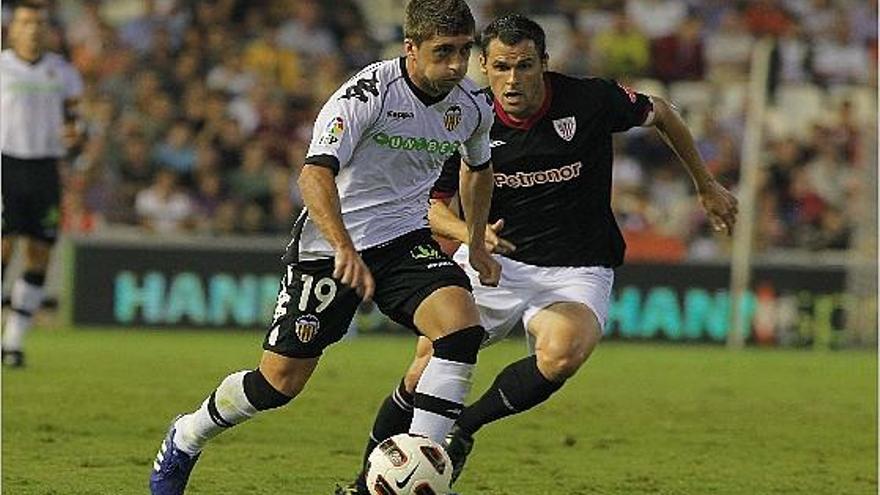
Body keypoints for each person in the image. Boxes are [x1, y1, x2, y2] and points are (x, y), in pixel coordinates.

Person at [340, 14, 738, 494]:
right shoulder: (461, 117)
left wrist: (706, 183)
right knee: (425, 366)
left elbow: (665, 114)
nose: (513, 79)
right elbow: (433, 209)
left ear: (544, 64)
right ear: (483, 66)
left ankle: (464, 428)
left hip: (578, 266)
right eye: (502, 66)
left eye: (525, 66)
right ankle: (364, 483)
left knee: (565, 350)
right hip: (495, 264)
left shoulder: (590, 100)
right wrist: (473, 234)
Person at [149, 0, 501, 493]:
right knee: (277, 384)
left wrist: (477, 240)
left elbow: (478, 169)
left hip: (404, 241)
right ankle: (187, 434)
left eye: (465, 51)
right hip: (331, 247)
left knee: (461, 331)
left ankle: (418, 473)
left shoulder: (470, 106)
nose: (456, 65)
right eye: (443, 52)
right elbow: (314, 174)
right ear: (411, 48)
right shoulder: (367, 94)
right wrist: (343, 248)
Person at [1, 0, 84, 368]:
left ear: (47, 29)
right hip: (5, 165)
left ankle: (14, 341)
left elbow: (77, 122)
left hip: (45, 170)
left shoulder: (62, 72)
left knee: (39, 253)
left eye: (38, 23)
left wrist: (76, 136)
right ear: (13, 28)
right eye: (25, 22)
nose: (32, 29)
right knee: (3, 248)